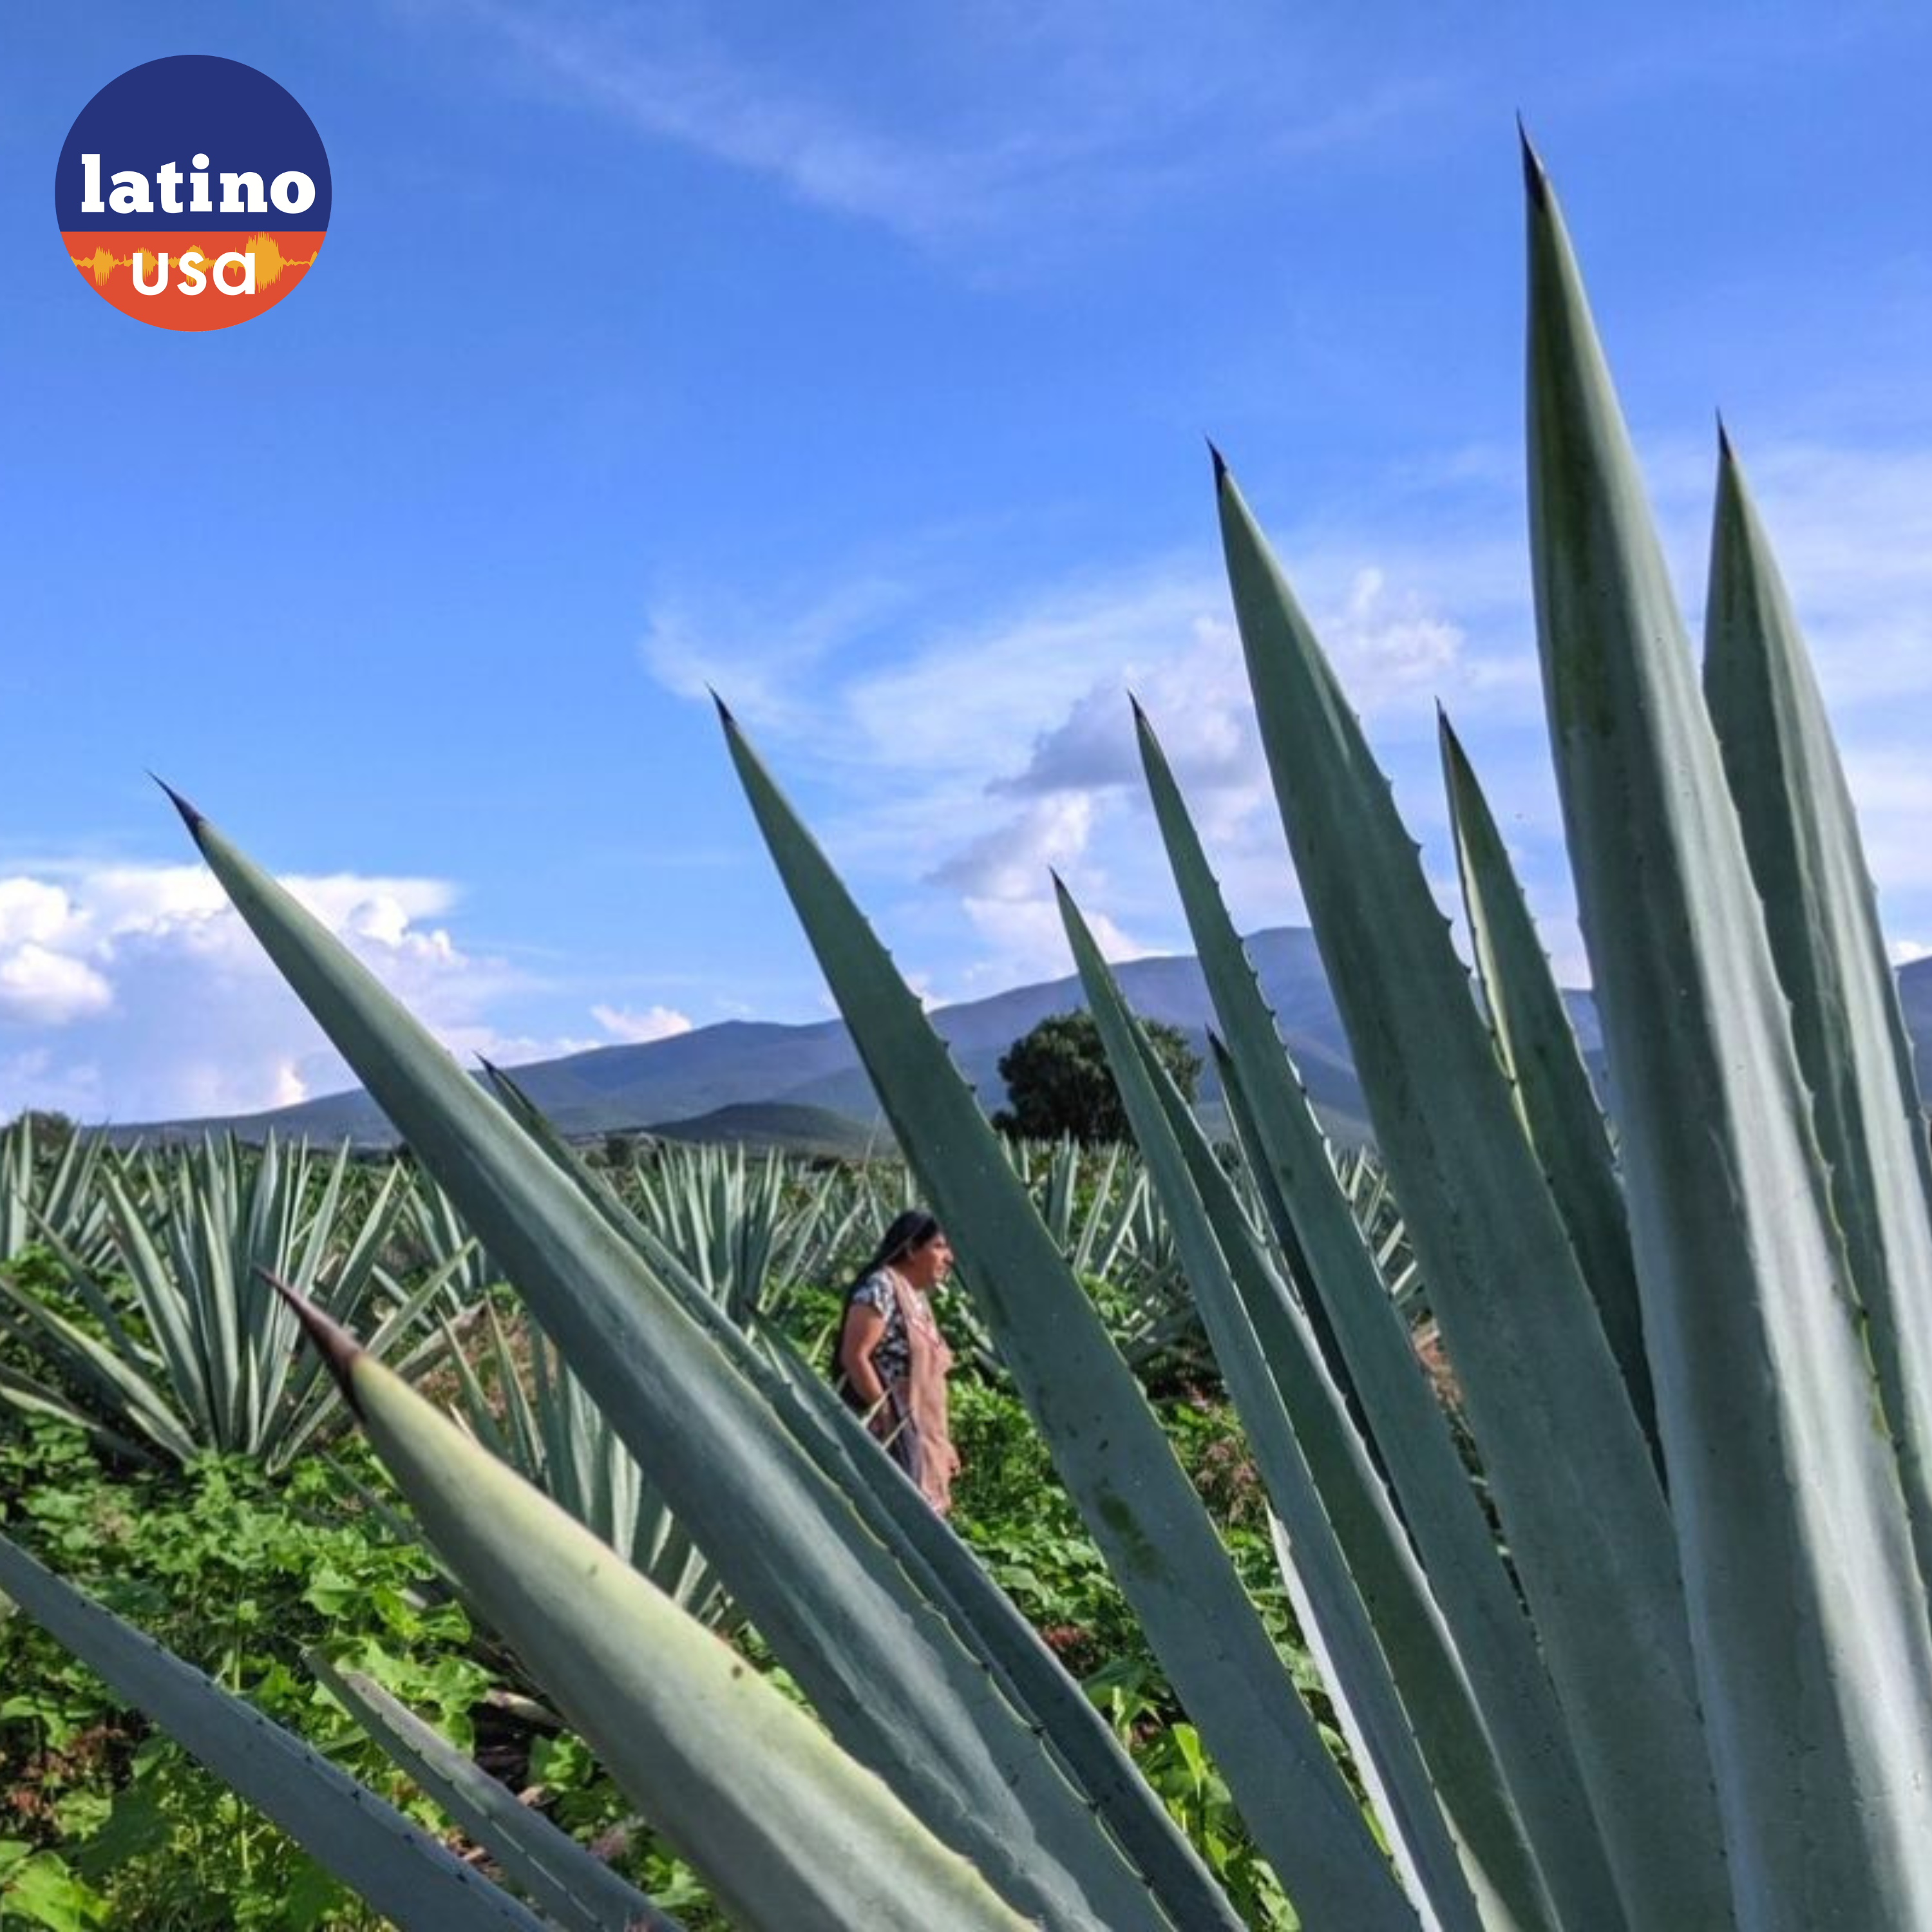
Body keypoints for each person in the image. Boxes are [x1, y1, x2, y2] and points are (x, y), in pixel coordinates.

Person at [834, 1209, 961, 1514]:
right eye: (939, 1247)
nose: (949, 1258)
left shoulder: (918, 1299)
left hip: (921, 1430)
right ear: (912, 1249)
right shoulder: (881, 1287)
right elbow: (855, 1356)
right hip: (890, 1431)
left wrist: (943, 1444)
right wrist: (889, 1416)